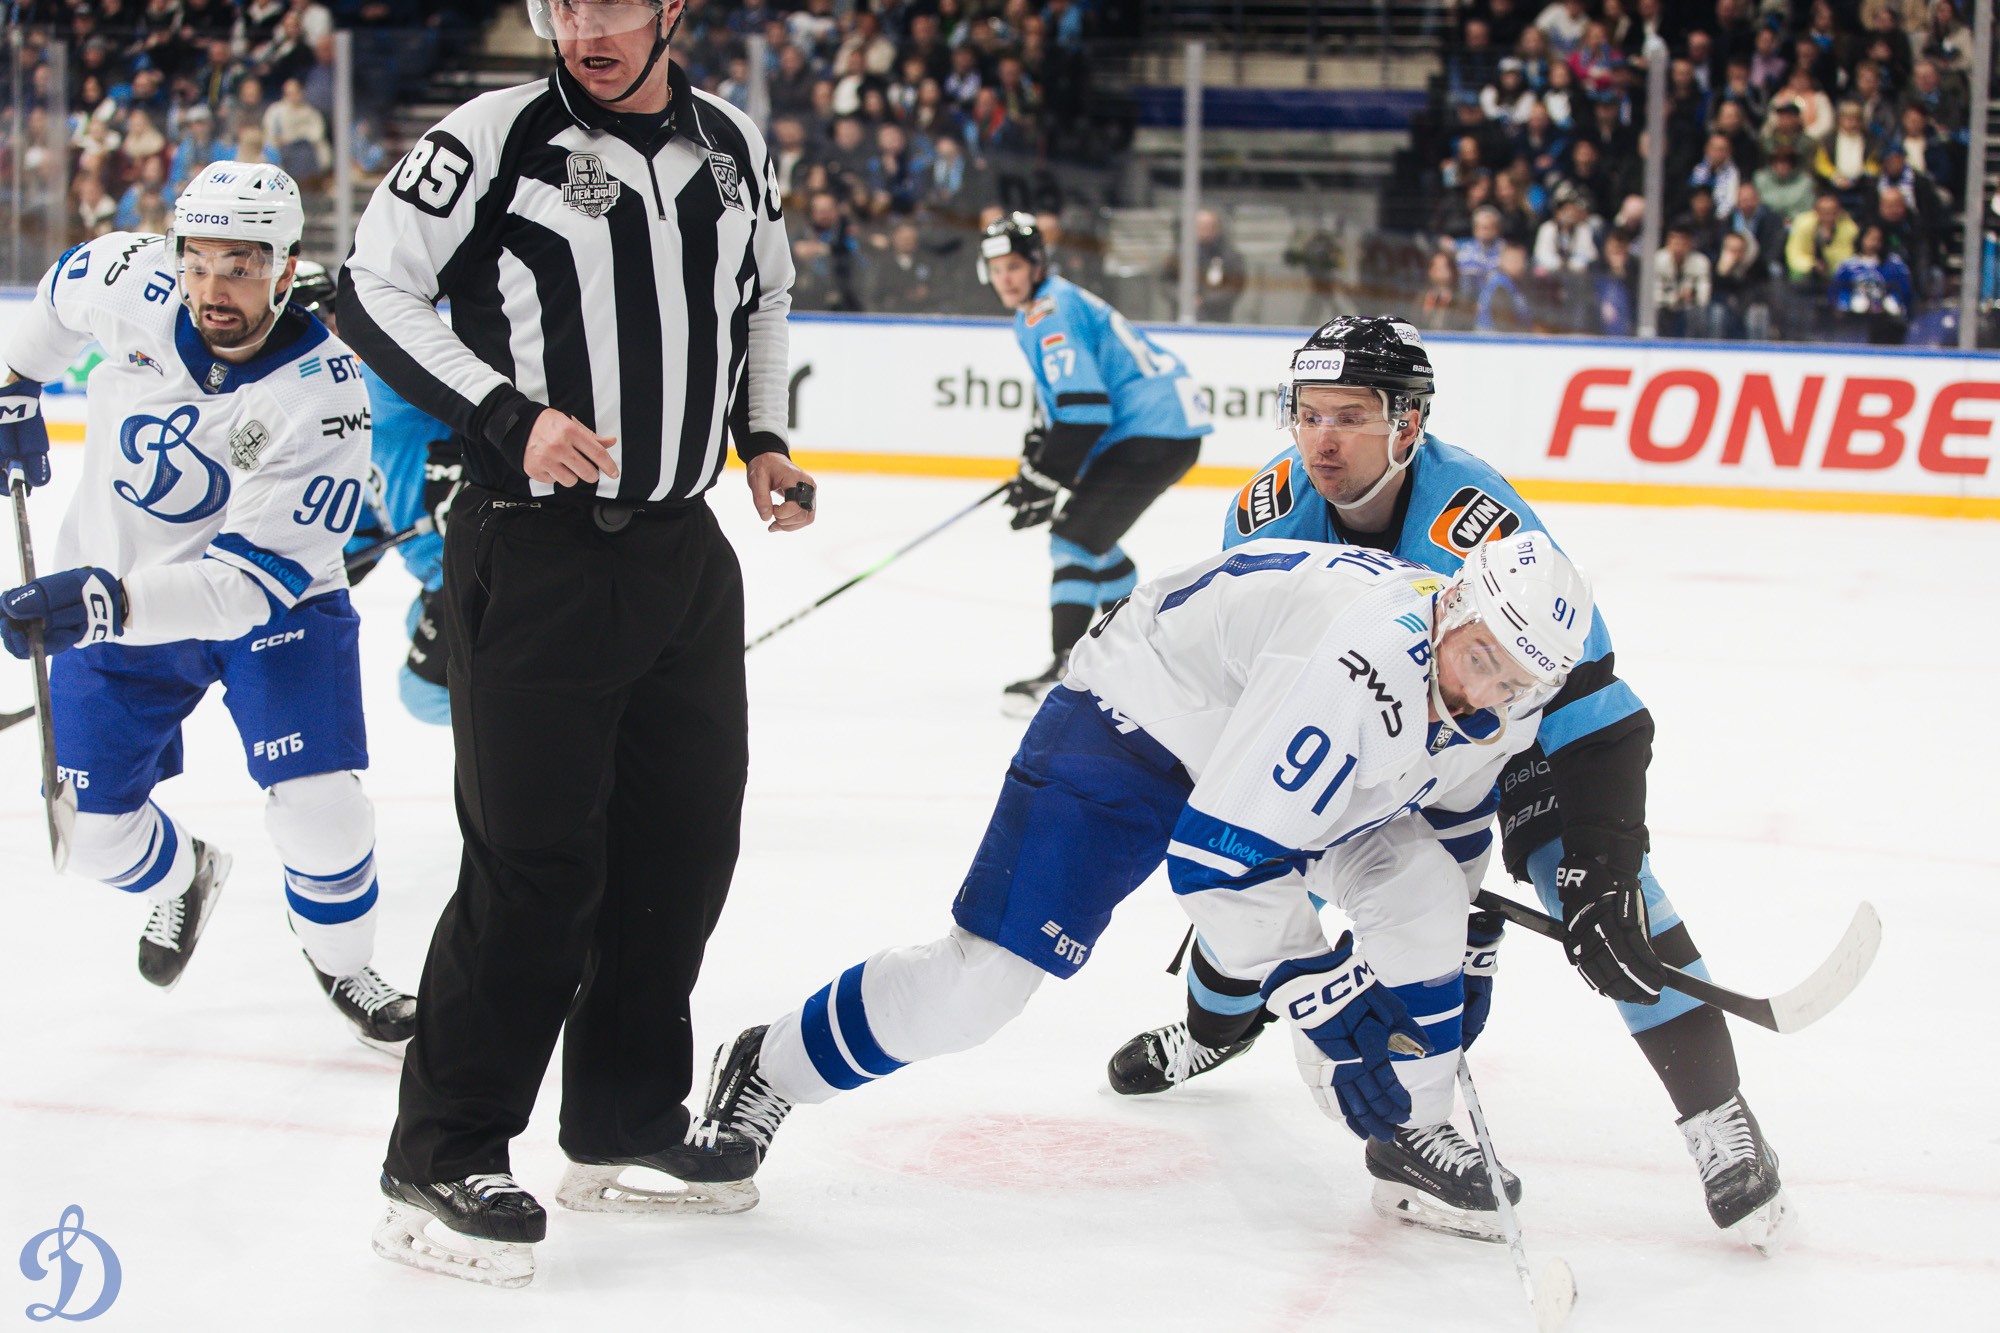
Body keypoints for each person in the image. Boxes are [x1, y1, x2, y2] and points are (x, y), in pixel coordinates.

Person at [1100, 317, 1793, 1254]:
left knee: (1611, 897)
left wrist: (1598, 856)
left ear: (1409, 423)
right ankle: (1215, 1026)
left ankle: (1718, 1114)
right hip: (1359, 731)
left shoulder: (1480, 523)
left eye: (1351, 416)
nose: (1323, 441)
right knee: (1250, 907)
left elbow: (1587, 699)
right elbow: (1255, 681)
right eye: (1309, 414)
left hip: (1494, 734)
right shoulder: (1267, 510)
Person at [702, 530, 1594, 1241]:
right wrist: (1323, 995)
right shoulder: (1359, 661)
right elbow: (1219, 860)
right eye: (1480, 658)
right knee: (981, 987)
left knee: (1425, 893)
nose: (1485, 693)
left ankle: (1409, 1138)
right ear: (1454, 605)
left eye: (1513, 679)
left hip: (1263, 748)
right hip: (1137, 724)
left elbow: (1452, 824)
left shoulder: (1506, 698)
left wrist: (1456, 955)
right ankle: (770, 1063)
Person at [337, 0, 818, 1289]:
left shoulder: (733, 143)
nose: (583, 26)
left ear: (671, 10)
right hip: (536, 553)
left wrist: (761, 437)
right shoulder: (491, 136)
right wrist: (504, 414)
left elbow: (763, 295)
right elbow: (368, 289)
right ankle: (441, 1152)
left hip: (682, 554)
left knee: (680, 851)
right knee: (533, 868)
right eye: (562, 4)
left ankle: (622, 1118)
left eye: (611, 2)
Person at [0, 162, 418, 1055]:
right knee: (90, 837)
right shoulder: (128, 277)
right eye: (196, 262)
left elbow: (242, 588)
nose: (212, 288)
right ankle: (183, 876)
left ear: (286, 265)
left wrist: (102, 604)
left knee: (322, 812)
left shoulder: (324, 396)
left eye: (241, 265)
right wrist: (16, 383)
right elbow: (61, 293)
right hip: (116, 586)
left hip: (269, 608)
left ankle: (344, 963)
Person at [976, 212, 1212, 713]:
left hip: (1152, 431)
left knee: (1074, 540)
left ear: (1036, 264)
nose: (1005, 279)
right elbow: (1060, 404)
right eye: (996, 270)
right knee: (1093, 542)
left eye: (1013, 266)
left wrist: (1045, 475)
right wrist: (1038, 465)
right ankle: (1136, 658)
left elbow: (1085, 410)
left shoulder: (1049, 311)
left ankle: (1068, 671)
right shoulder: (1042, 308)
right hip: (1158, 430)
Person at [286, 261, 462, 724]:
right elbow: (365, 504)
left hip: (474, 562)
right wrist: (336, 554)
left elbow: (487, 396)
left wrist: (470, 466)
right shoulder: (318, 414)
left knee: (428, 692)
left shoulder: (381, 377)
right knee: (418, 630)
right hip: (439, 573)